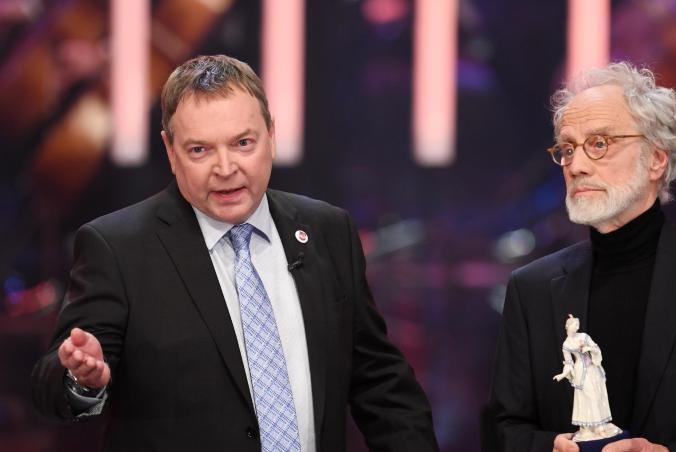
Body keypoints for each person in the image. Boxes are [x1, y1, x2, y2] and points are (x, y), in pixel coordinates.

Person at [31, 54, 438, 452]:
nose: (226, 168)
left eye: (243, 143)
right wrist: (81, 380)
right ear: (170, 151)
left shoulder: (327, 231)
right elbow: (52, 385)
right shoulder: (117, 247)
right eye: (200, 150)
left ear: (271, 136)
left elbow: (380, 383)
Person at [489, 62, 676, 452]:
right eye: (567, 149)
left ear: (656, 159)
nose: (577, 166)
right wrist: (548, 446)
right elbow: (505, 429)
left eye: (599, 144)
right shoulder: (531, 288)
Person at [553, 315, 621, 442]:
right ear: (568, 326)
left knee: (598, 395)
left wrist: (589, 348)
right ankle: (593, 427)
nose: (577, 327)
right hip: (580, 372)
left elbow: (596, 348)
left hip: (593, 369)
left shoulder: (584, 336)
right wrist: (562, 374)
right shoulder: (566, 344)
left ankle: (599, 426)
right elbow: (569, 362)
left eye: (578, 325)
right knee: (588, 397)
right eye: (575, 325)